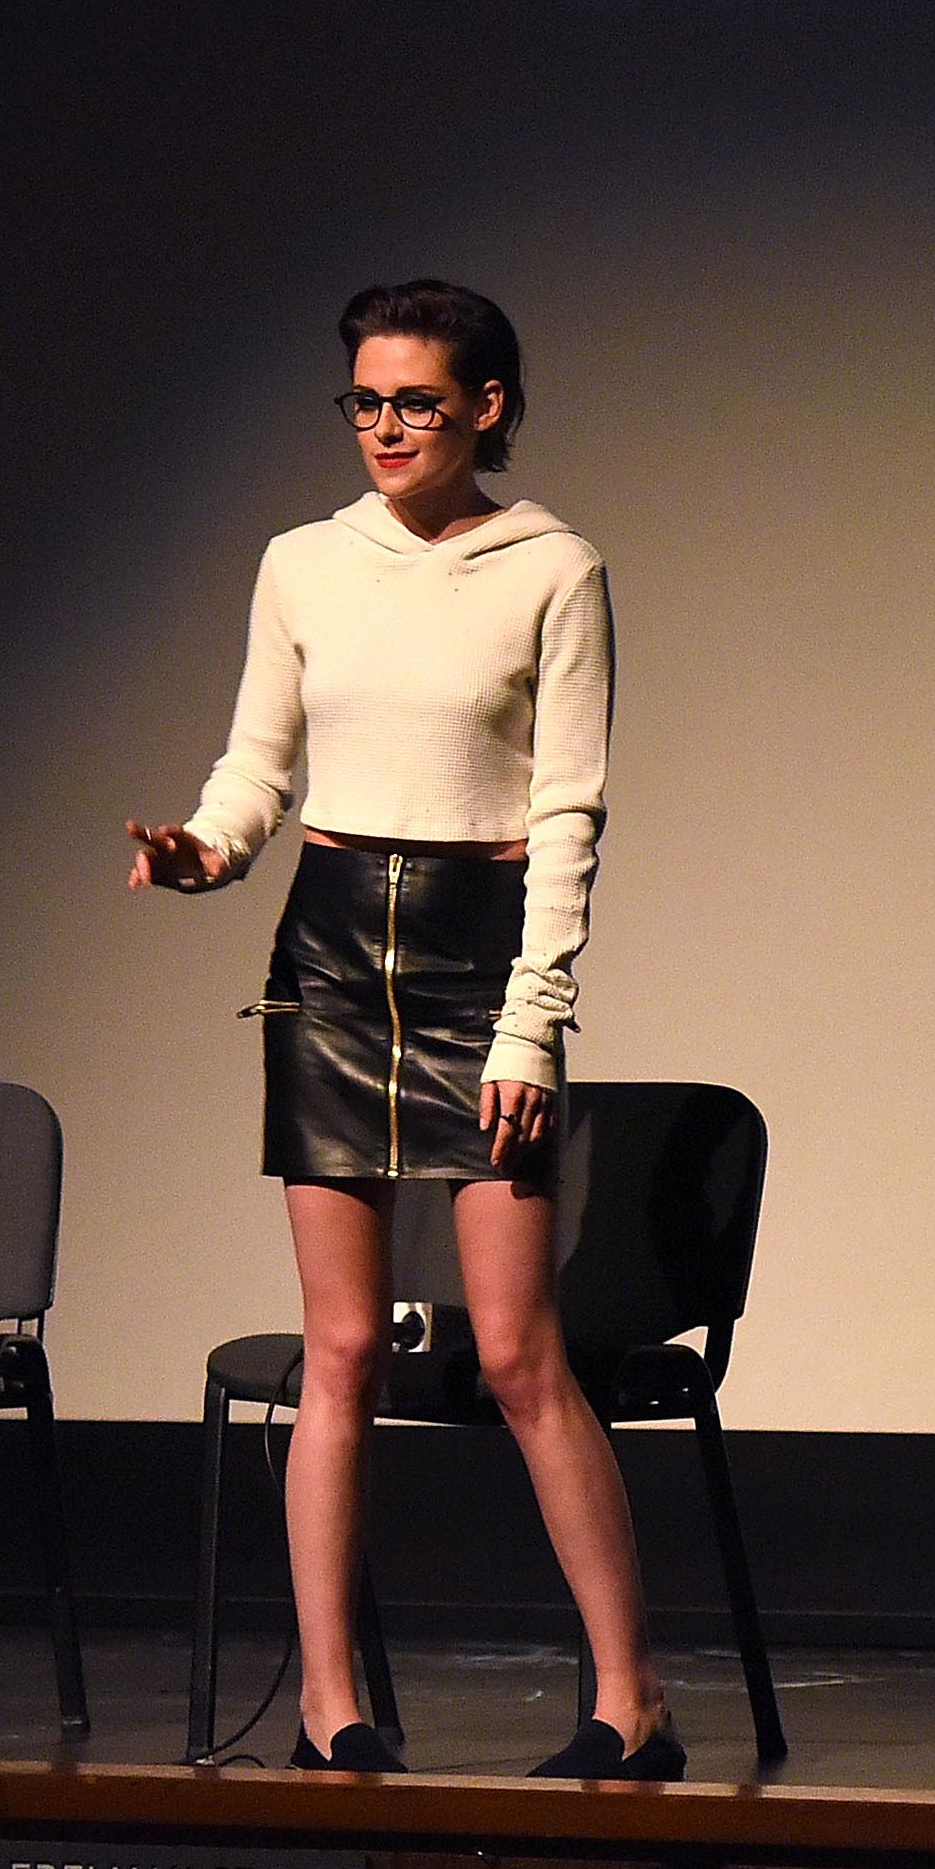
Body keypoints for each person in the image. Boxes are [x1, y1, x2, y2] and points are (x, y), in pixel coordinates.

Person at [128, 280, 679, 1782]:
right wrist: (204, 848)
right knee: (344, 1345)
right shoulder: (305, 562)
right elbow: (259, 764)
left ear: (486, 406)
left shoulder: (552, 567)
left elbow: (567, 805)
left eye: (415, 402)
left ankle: (631, 1697)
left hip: (471, 965)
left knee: (514, 1351)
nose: (385, 427)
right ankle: (330, 1704)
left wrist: (532, 1024)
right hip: (326, 951)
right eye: (364, 401)